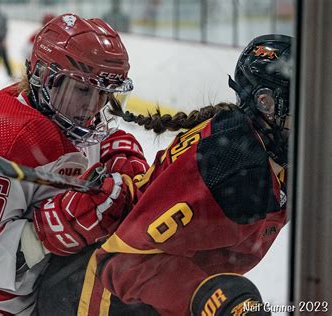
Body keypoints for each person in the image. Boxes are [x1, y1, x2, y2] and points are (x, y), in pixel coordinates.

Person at [35, 34, 292, 315]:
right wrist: (208, 296)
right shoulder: (230, 165)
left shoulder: (269, 153)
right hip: (93, 299)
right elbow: (122, 261)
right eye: (306, 105)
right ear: (266, 103)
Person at [0, 13, 149, 315]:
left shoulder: (68, 116)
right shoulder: (9, 139)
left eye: (104, 94)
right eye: (84, 90)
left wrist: (114, 159)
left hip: (41, 290)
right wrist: (51, 230)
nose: (94, 106)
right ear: (45, 78)